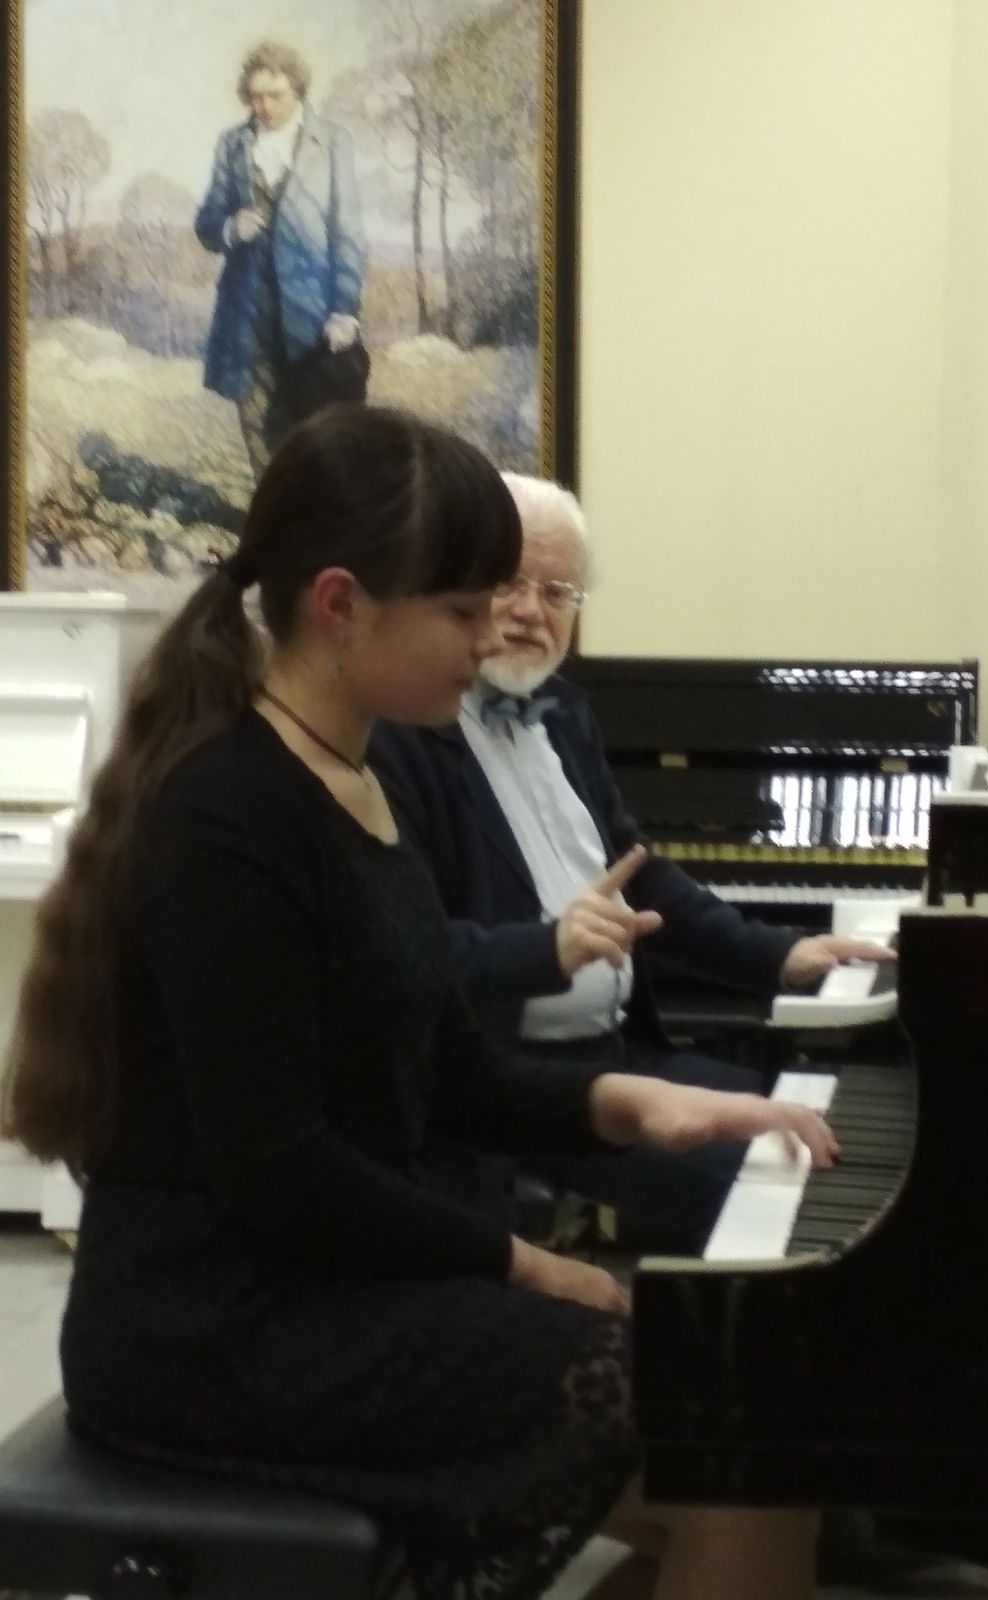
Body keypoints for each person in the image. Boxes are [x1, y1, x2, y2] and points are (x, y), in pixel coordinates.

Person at [0, 406, 849, 1600]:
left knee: (745, 1438)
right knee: (725, 1430)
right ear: (341, 604)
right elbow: (279, 1166)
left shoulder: (352, 775)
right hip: (216, 1327)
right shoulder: (225, 813)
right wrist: (522, 1262)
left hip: (325, 1280)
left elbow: (451, 1069)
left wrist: (633, 1104)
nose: (491, 633)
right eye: (461, 607)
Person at [369, 473, 894, 1249]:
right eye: (510, 582)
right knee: (792, 1180)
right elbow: (402, 957)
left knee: (826, 1133)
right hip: (510, 1085)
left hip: (617, 1051)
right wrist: (546, 947)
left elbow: (639, 878)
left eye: (557, 592)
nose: (531, 611)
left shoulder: (565, 713)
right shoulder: (402, 736)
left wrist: (782, 955)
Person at [195, 40, 366, 478]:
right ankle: (273, 511)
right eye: (255, 96)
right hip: (246, 312)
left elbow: (347, 231)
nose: (264, 106)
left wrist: (345, 309)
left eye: (275, 95)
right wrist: (230, 226)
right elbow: (206, 223)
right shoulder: (233, 145)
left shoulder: (332, 142)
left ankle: (315, 512)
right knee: (256, 423)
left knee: (316, 428)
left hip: (312, 316)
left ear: (298, 91)